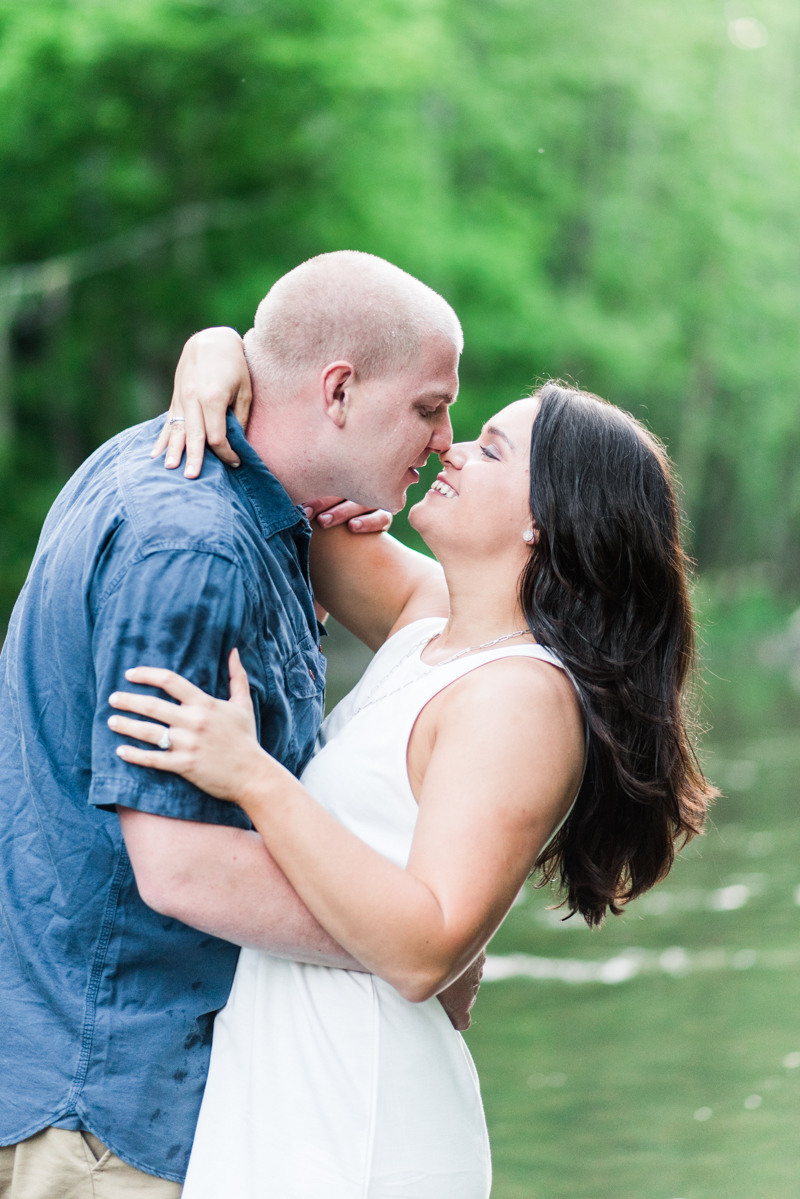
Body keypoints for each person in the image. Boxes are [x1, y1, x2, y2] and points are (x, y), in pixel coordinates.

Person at [108, 348, 718, 1196]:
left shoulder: (521, 698)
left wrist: (253, 776)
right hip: (290, 1093)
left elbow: (429, 948)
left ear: (545, 518)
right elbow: (289, 467)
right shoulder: (432, 616)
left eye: (494, 450)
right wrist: (220, 352)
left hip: (362, 1119)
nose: (453, 448)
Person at [0, 251, 482, 1199]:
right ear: (339, 389)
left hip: (114, 1090)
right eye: (430, 406)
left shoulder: (213, 490)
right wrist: (415, 944)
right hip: (109, 1117)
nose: (443, 439)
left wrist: (220, 343)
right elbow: (176, 862)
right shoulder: (195, 544)